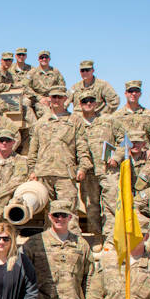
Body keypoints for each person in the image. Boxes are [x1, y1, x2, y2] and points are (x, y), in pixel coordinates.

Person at [26, 86, 92, 227]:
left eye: (60, 97)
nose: (56, 100)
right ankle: (51, 245)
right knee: (49, 213)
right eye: (54, 97)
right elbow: (33, 150)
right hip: (44, 172)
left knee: (69, 211)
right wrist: (32, 170)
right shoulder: (41, 123)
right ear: (49, 99)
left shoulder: (75, 121)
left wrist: (83, 167)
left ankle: (73, 243)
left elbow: (82, 146)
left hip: (65, 174)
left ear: (65, 99)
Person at [72, 90, 125, 238]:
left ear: (96, 103)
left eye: (91, 101)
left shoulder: (109, 120)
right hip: (87, 172)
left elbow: (125, 140)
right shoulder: (76, 123)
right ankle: (97, 236)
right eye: (84, 101)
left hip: (108, 170)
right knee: (91, 206)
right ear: (79, 104)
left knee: (111, 204)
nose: (88, 104)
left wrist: (117, 157)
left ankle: (112, 238)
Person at [112, 80, 150, 151]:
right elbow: (112, 137)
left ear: (140, 94)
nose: (133, 94)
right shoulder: (116, 116)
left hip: (144, 154)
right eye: (130, 91)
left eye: (136, 91)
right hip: (124, 155)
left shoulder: (149, 115)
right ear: (125, 93)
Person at [26, 51, 65, 118]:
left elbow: (62, 87)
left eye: (46, 57)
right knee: (46, 112)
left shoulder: (56, 72)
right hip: (38, 101)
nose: (44, 59)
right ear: (38, 59)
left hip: (53, 99)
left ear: (49, 59)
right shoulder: (32, 73)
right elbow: (26, 87)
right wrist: (39, 98)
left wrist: (52, 98)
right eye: (41, 57)